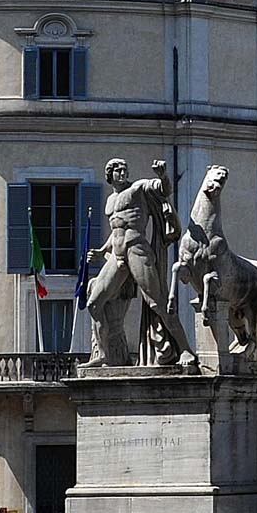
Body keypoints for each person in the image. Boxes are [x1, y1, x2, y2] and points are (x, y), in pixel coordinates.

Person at [86, 158, 197, 368]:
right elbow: (115, 231)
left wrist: (162, 176)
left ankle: (185, 349)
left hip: (137, 250)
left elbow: (163, 190)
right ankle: (103, 354)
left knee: (158, 302)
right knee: (94, 303)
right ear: (109, 174)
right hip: (117, 256)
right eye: (118, 170)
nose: (123, 173)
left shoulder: (138, 189)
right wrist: (102, 251)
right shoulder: (110, 201)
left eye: (125, 169)